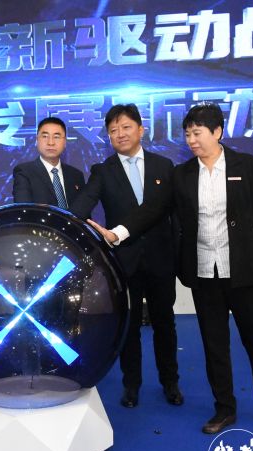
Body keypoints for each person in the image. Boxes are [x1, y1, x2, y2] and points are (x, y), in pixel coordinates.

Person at [88, 102, 253, 436]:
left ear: (217, 132)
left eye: (197, 133)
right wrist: (118, 233)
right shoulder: (181, 174)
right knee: (214, 345)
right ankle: (224, 409)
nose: (192, 140)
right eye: (187, 134)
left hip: (244, 272)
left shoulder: (247, 165)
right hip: (204, 274)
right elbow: (152, 209)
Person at [70, 104, 182, 408]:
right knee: (128, 328)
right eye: (113, 130)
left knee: (165, 323)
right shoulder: (103, 170)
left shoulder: (164, 166)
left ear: (141, 130)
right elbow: (82, 205)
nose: (120, 134)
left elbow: (169, 212)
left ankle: (170, 383)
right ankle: (131, 385)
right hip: (124, 261)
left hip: (161, 259)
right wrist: (63, 222)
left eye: (126, 127)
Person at [12, 116, 85, 207]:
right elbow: (24, 208)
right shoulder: (24, 172)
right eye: (45, 136)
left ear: (65, 142)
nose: (51, 142)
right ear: (37, 140)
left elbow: (83, 211)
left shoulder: (76, 175)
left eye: (56, 137)